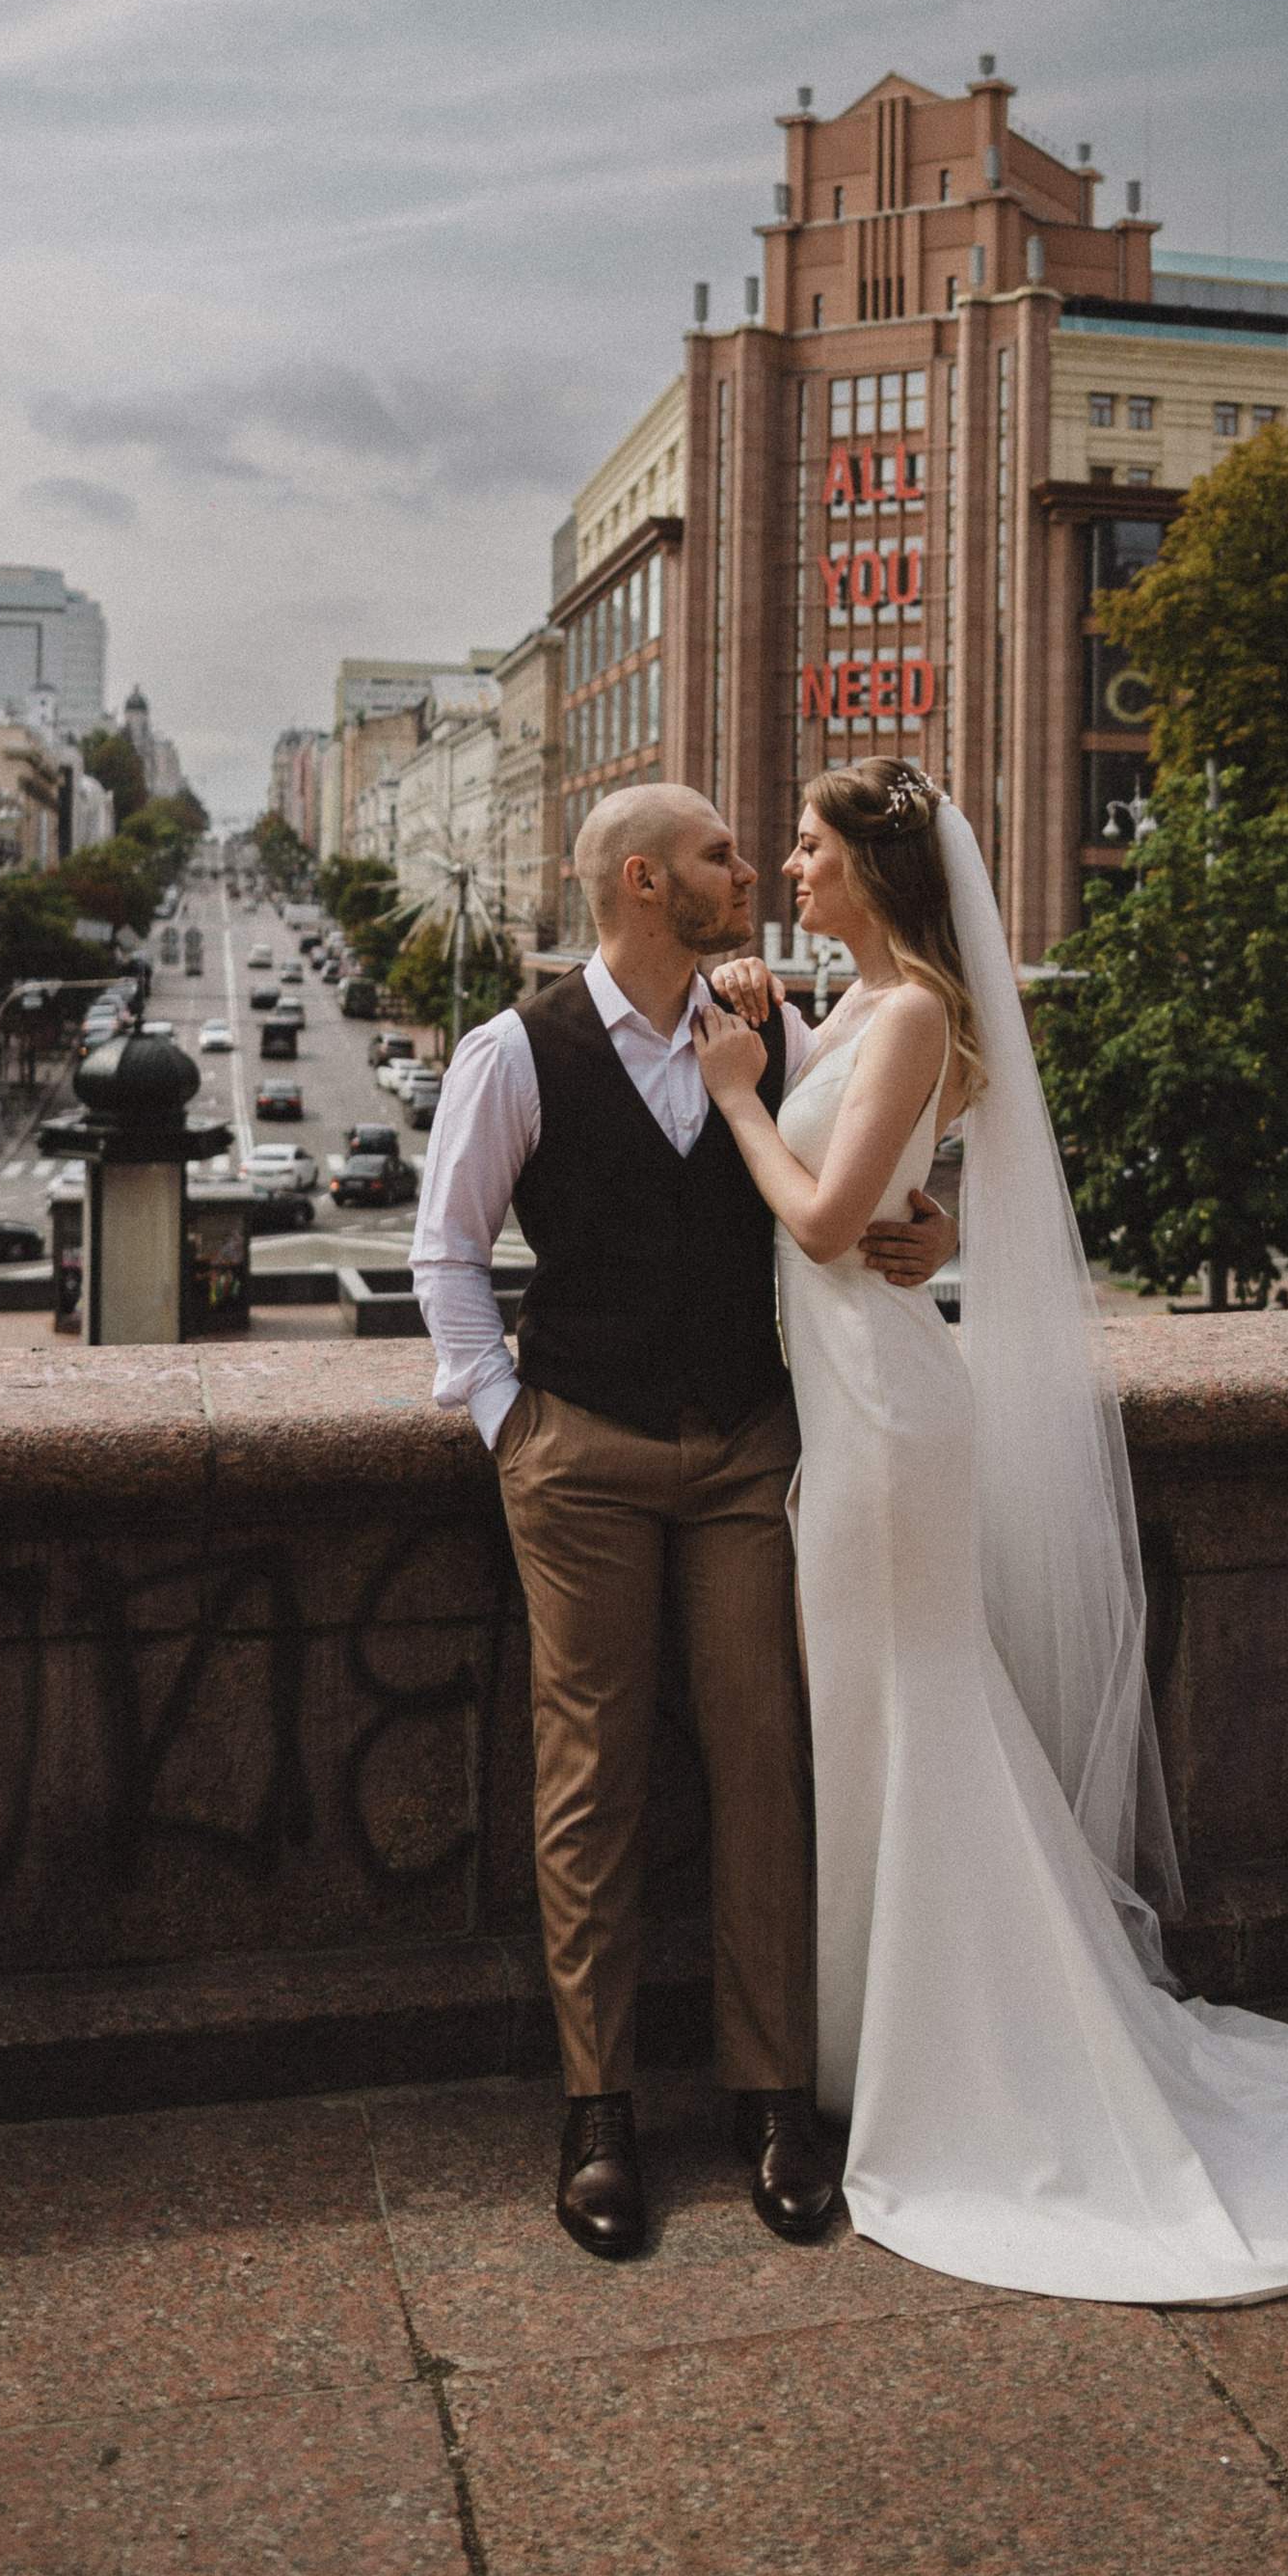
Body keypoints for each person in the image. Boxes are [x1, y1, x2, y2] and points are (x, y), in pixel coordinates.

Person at [689, 754, 1288, 2305]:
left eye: (808, 845)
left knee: (913, 1707)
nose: (785, 864)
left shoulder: (907, 1011)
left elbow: (836, 1220)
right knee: (876, 1711)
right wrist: (781, 1046)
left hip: (889, 1416)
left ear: (875, 870)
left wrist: (735, 1101)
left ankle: (953, 2049)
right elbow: (902, 1185)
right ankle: (870, 2033)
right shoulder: (863, 1008)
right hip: (857, 1398)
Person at [411, 784, 956, 2263]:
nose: (750, 870)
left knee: (762, 1754)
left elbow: (877, 1167)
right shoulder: (516, 1050)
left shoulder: (770, 1026)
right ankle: (598, 2113)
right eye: (723, 853)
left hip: (742, 1449)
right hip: (575, 1450)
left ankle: (772, 2099)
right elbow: (446, 1254)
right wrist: (507, 1423)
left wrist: (933, 1226)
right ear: (647, 883)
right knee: (589, 1775)